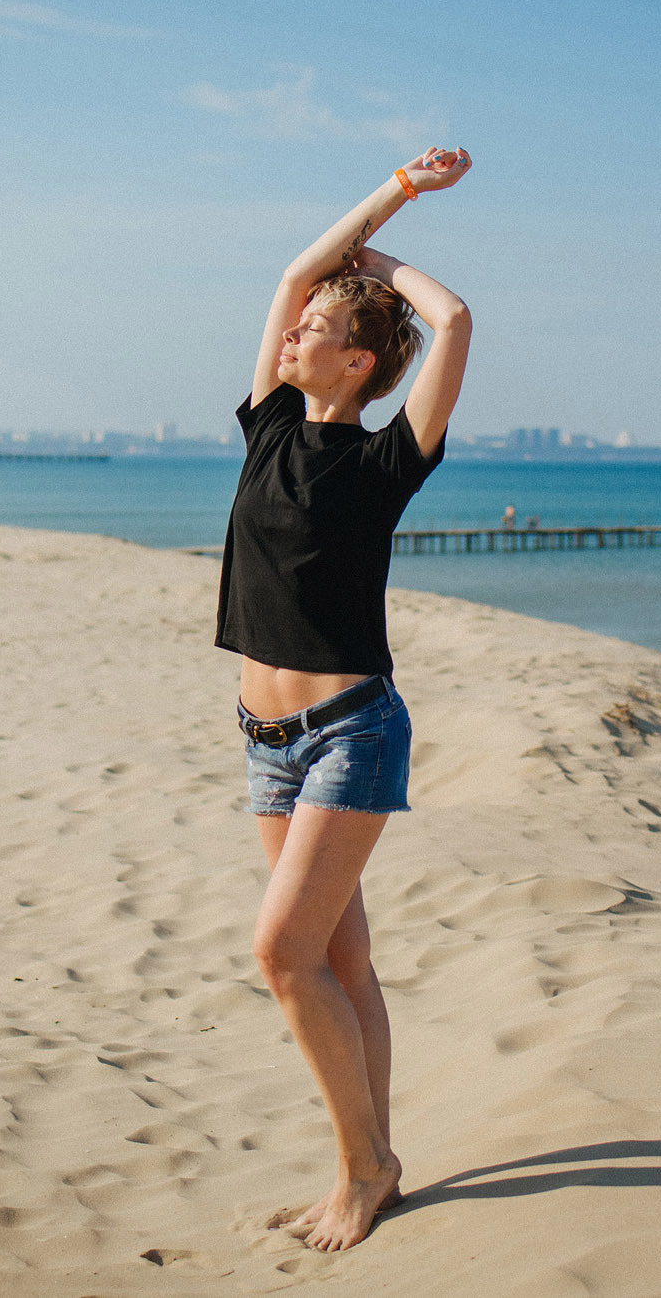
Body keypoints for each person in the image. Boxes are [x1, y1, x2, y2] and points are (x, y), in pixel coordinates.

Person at [215, 145, 474, 1251]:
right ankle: (375, 1162)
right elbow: (292, 273)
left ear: (360, 362)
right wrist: (394, 192)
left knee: (283, 956)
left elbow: (453, 320)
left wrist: (385, 265)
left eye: (316, 329)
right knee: (339, 960)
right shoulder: (270, 422)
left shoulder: (388, 460)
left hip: (350, 735)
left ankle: (362, 1168)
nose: (291, 333)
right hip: (265, 740)